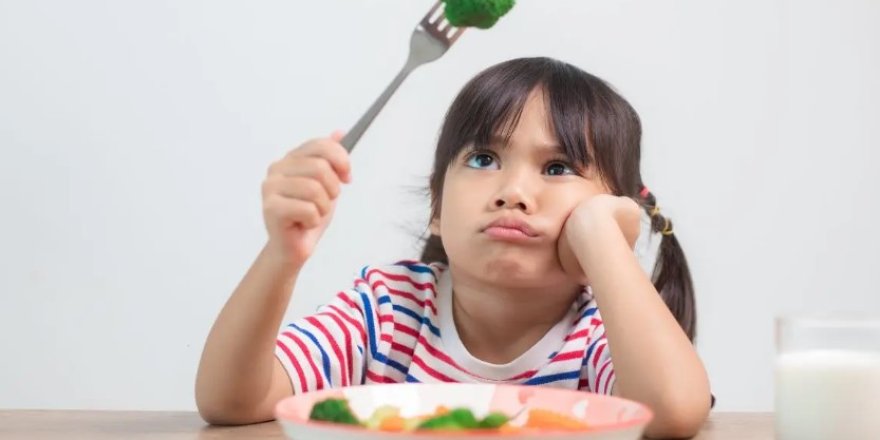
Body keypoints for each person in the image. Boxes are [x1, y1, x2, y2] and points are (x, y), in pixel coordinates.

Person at [195, 57, 712, 438]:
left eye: (558, 169)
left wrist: (603, 240)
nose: (513, 192)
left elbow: (673, 412)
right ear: (437, 207)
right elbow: (232, 401)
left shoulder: (600, 333)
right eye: (484, 159)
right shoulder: (387, 309)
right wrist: (282, 257)